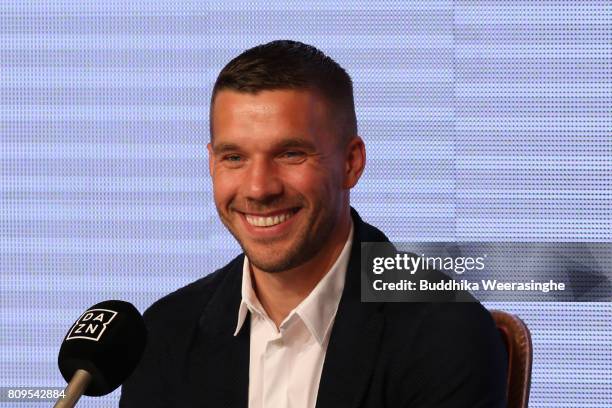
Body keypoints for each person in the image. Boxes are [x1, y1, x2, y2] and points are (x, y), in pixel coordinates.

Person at [120, 40, 507, 408]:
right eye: (234, 157)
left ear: (351, 163)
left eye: (290, 154)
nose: (258, 188)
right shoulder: (165, 332)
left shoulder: (444, 331)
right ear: (211, 163)